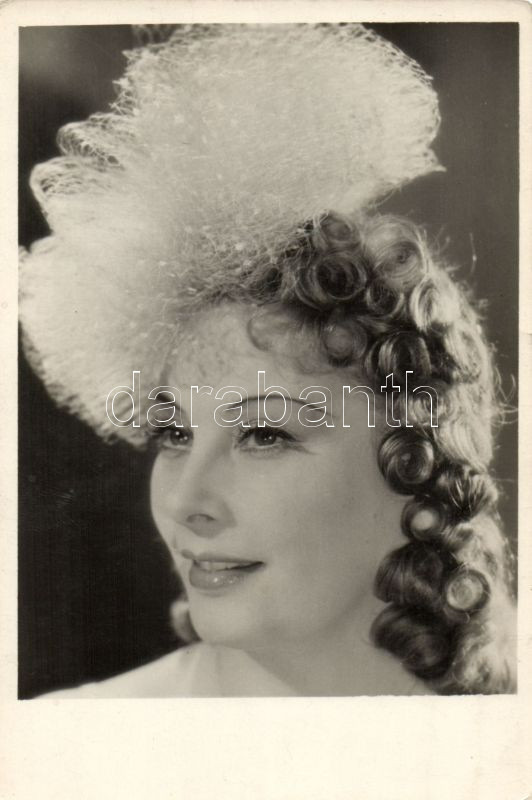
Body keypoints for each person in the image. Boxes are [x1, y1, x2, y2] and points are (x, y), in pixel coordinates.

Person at [20, 23, 516, 696]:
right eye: (174, 434)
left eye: (263, 434)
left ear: (419, 471)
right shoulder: (74, 739)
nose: (185, 503)